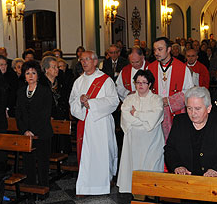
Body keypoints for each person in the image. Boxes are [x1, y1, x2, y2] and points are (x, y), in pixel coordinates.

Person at [69, 50, 119, 195]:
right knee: (87, 154)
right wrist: (80, 101)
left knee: (102, 153)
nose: (84, 62)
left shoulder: (105, 80)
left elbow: (113, 101)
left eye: (87, 59)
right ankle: (86, 185)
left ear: (95, 61)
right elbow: (72, 101)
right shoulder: (78, 81)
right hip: (85, 123)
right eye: (82, 60)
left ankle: (104, 182)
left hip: (101, 123)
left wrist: (92, 103)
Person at [165, 86, 217, 178]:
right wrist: (177, 166)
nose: (193, 113)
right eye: (189, 108)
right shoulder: (180, 122)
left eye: (198, 109)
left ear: (208, 108)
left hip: (215, 180)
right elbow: (170, 149)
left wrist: (216, 170)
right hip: (185, 179)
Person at [117, 70, 164, 194]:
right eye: (138, 82)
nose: (140, 85)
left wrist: (136, 114)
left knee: (150, 164)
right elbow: (126, 116)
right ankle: (134, 189)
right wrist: (143, 121)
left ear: (150, 84)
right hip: (133, 139)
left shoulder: (157, 99)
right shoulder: (129, 99)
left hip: (151, 139)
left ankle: (150, 191)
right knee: (133, 163)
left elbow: (154, 117)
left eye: (144, 82)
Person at [16, 61, 54, 189]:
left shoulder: (45, 91)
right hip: (26, 135)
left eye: (33, 73)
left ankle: (43, 189)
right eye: (27, 73)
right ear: (24, 76)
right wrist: (25, 130)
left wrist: (33, 131)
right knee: (28, 163)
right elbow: (18, 114)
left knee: (43, 164)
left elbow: (45, 114)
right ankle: (30, 189)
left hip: (42, 133)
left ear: (38, 75)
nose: (30, 76)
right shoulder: (21, 92)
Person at [148, 37, 194, 140]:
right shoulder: (150, 68)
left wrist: (169, 101)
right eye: (155, 50)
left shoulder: (182, 69)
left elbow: (189, 91)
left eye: (160, 49)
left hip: (175, 113)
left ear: (169, 49)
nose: (156, 53)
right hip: (155, 112)